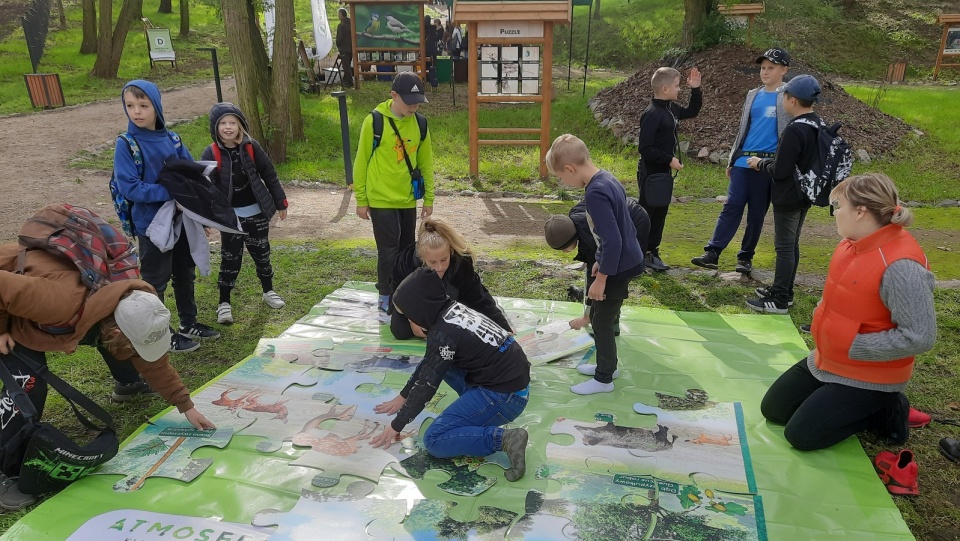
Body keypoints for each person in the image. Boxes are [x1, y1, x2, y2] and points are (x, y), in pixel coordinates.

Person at [0, 244, 215, 509]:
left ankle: (128, 384)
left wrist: (186, 406)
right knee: (28, 384)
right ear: (114, 330)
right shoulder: (60, 301)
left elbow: (154, 362)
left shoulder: (129, 304)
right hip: (8, 303)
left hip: (28, 306)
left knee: (125, 348)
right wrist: (1, 329)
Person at [760, 173, 936, 456]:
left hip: (867, 371)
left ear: (860, 211)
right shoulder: (850, 243)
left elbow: (920, 337)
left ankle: (887, 406)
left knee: (801, 436)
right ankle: (857, 402)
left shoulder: (902, 267)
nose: (835, 214)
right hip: (828, 358)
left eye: (837, 206)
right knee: (773, 410)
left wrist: (854, 347)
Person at [369, 268, 530, 482]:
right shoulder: (452, 310)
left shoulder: (442, 334)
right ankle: (476, 413)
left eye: (409, 316)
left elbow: (427, 385)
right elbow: (430, 364)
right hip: (509, 382)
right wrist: (403, 395)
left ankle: (505, 438)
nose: (409, 322)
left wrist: (396, 425)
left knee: (434, 440)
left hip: (506, 397)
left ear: (420, 310)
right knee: (440, 363)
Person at [113, 80, 220, 352]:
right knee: (154, 282)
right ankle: (160, 333)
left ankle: (188, 322)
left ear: (156, 106)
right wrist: (170, 192)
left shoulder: (172, 139)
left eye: (143, 105)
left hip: (181, 221)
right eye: (130, 106)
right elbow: (130, 186)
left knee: (185, 273)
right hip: (150, 225)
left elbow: (190, 175)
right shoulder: (127, 144)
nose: (136, 111)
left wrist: (200, 212)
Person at [546, 134, 644, 395]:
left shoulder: (595, 193)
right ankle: (608, 367)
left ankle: (604, 379)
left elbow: (612, 239)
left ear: (570, 169)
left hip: (620, 265)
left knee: (601, 322)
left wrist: (602, 279)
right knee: (601, 316)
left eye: (561, 177)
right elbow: (615, 232)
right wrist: (600, 262)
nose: (563, 182)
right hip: (620, 261)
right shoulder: (607, 178)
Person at [692, 48, 791, 275]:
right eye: (763, 68)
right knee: (732, 205)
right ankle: (712, 253)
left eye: (771, 68)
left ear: (784, 70)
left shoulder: (789, 96)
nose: (765, 72)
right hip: (742, 162)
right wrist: (731, 158)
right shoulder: (752, 94)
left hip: (766, 164)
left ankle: (745, 257)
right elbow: (743, 129)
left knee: (756, 213)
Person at [200, 103, 289, 325]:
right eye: (223, 123)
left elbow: (269, 174)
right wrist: (206, 219)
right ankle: (224, 303)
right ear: (215, 127)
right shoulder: (210, 153)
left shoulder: (252, 147)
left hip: (257, 215)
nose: (228, 127)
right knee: (230, 259)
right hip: (231, 220)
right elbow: (205, 188)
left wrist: (281, 202)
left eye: (233, 122)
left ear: (241, 126)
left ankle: (268, 291)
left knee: (262, 254)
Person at [353, 72, 435, 313]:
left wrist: (428, 198)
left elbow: (426, 163)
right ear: (393, 95)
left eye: (417, 100)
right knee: (388, 250)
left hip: (407, 198)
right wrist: (361, 199)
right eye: (408, 100)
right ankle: (385, 294)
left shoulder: (420, 123)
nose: (413, 105)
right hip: (380, 198)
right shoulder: (375, 121)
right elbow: (361, 161)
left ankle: (405, 291)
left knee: (408, 249)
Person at [745, 74, 821, 314]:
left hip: (788, 196)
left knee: (785, 247)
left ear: (793, 100)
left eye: (784, 97)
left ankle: (778, 300)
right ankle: (784, 292)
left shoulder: (795, 130)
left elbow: (780, 171)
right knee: (792, 244)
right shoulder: (816, 123)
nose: (783, 101)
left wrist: (759, 164)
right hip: (804, 194)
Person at [389, 218, 511, 340]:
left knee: (469, 329)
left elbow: (480, 299)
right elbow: (396, 294)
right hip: (418, 307)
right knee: (400, 332)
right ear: (422, 257)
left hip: (452, 304)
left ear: (451, 252)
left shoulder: (461, 265)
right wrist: (412, 318)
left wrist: (503, 328)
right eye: (432, 262)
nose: (440, 267)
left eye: (444, 259)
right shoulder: (405, 261)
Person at [544, 197, 650, 333]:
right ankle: (610, 319)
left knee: (617, 276)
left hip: (635, 220)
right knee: (606, 278)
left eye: (564, 248)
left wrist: (586, 317)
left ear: (571, 239)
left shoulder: (591, 237)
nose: (565, 252)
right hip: (622, 213)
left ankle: (611, 323)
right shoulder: (573, 219)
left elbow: (593, 275)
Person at [637, 67, 703, 272]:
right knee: (647, 214)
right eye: (677, 85)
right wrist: (669, 160)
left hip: (663, 173)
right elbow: (645, 148)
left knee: (661, 213)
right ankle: (639, 255)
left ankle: (652, 252)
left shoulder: (671, 109)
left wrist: (696, 89)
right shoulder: (652, 114)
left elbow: (692, 111)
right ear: (665, 88)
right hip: (651, 172)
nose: (679, 89)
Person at [335, 8, 353, 86]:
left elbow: (340, 38)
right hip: (351, 48)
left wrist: (337, 44)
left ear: (341, 15)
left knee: (346, 66)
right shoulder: (351, 23)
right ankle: (345, 79)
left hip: (344, 48)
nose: (338, 16)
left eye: (339, 14)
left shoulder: (341, 25)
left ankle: (349, 82)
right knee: (347, 64)